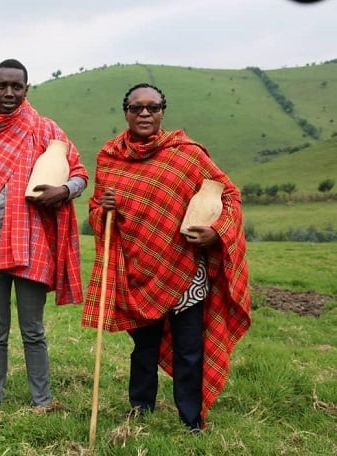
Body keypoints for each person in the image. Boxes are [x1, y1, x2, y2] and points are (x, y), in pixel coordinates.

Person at [82, 83, 251, 431]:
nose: (145, 113)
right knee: (143, 349)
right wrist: (103, 209)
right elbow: (98, 211)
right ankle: (140, 408)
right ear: (125, 112)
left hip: (186, 269)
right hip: (138, 271)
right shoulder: (109, 157)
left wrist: (215, 231)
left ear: (163, 111)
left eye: (153, 107)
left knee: (189, 350)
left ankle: (191, 418)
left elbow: (229, 194)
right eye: (136, 108)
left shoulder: (187, 154)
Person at [0, 59, 88, 412]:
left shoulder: (44, 130)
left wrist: (64, 191)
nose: (9, 93)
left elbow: (81, 173)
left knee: (33, 329)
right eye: (2, 86)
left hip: (32, 244)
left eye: (17, 86)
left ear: (26, 89)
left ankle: (42, 400)